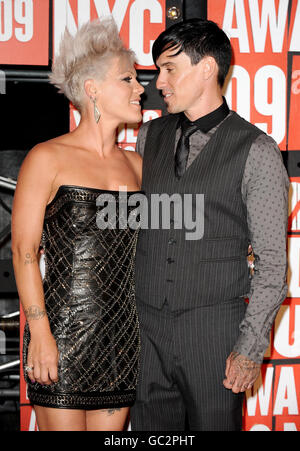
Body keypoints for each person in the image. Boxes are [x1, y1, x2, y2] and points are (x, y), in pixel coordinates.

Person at [130, 18, 289, 431]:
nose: (158, 82)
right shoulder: (148, 137)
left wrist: (250, 347)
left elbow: (273, 263)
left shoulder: (257, 150)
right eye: (157, 70)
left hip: (214, 335)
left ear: (206, 68)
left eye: (169, 69)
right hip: (147, 332)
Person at [11, 17, 144, 431]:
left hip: (123, 341)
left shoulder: (141, 167)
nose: (140, 88)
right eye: (128, 79)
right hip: (62, 337)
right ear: (93, 90)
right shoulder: (47, 157)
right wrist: (40, 333)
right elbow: (24, 253)